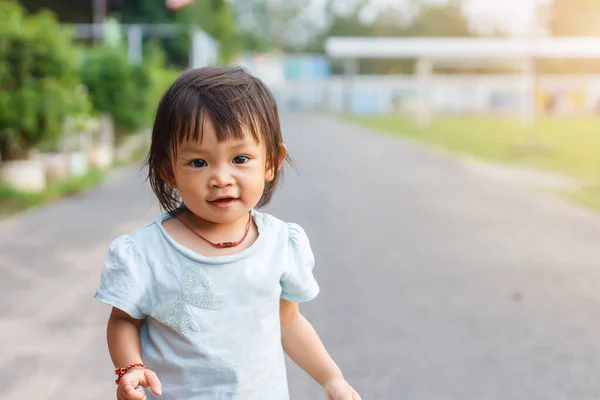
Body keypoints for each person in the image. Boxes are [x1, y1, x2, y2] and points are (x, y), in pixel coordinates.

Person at [93, 66, 361, 400]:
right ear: (168, 170)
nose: (221, 177)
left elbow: (289, 323)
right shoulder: (145, 253)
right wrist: (130, 367)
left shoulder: (280, 244)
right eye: (198, 163)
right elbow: (123, 321)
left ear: (271, 162)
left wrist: (331, 377)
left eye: (240, 158)